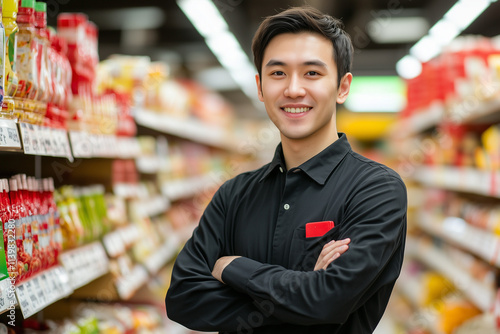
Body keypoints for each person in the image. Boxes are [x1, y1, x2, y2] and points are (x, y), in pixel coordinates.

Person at [166, 5, 407, 334]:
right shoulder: (233, 194)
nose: (293, 89)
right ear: (261, 87)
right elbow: (183, 298)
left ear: (342, 87)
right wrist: (307, 294)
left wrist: (233, 268)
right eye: (278, 73)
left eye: (312, 73)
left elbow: (329, 300)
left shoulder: (376, 189)